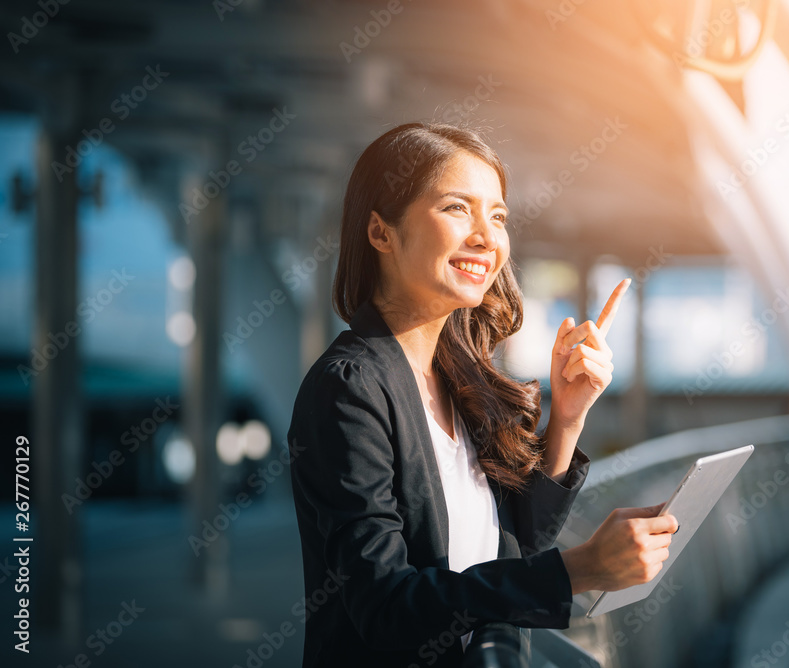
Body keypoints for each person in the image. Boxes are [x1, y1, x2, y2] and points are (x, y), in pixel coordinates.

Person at [287, 121, 679, 668]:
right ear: (380, 232)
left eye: (497, 216)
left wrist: (567, 418)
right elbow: (382, 606)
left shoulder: (461, 375)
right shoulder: (350, 388)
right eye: (456, 208)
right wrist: (581, 570)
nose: (487, 237)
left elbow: (513, 546)